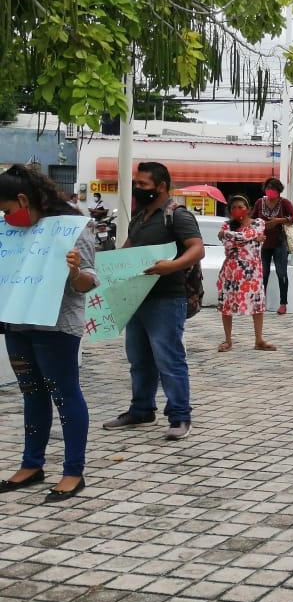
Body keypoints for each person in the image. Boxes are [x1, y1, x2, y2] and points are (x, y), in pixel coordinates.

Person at [0, 165, 97, 501]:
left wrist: (73, 271)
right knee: (32, 393)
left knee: (64, 393)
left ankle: (73, 471)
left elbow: (88, 282)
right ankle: (32, 463)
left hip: (56, 326)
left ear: (24, 199)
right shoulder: (10, 231)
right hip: (17, 323)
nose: (5, 216)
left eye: (7, 210)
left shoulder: (72, 227)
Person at [105, 162, 204, 441]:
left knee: (169, 359)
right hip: (136, 298)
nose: (138, 188)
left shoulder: (177, 215)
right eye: (136, 183)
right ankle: (141, 409)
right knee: (138, 359)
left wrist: (170, 266)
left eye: (143, 184)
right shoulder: (140, 216)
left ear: (161, 186)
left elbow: (197, 250)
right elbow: (127, 250)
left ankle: (180, 416)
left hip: (166, 299)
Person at [215, 195, 275, 353]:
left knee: (257, 304)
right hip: (231, 270)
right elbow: (229, 243)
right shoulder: (227, 225)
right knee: (227, 304)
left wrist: (239, 236)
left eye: (240, 206)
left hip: (253, 271)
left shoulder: (258, 223)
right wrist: (254, 237)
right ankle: (228, 340)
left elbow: (234, 237)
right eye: (233, 207)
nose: (237, 210)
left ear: (248, 209)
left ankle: (259, 339)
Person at [251, 177, 293, 315]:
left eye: (273, 189)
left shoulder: (284, 202)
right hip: (264, 242)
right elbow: (251, 218)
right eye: (268, 189)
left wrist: (280, 220)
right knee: (264, 273)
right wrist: (259, 223)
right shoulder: (259, 202)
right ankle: (261, 302)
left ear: (278, 191)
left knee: (281, 273)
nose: (270, 192)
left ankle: (283, 303)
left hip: (280, 242)